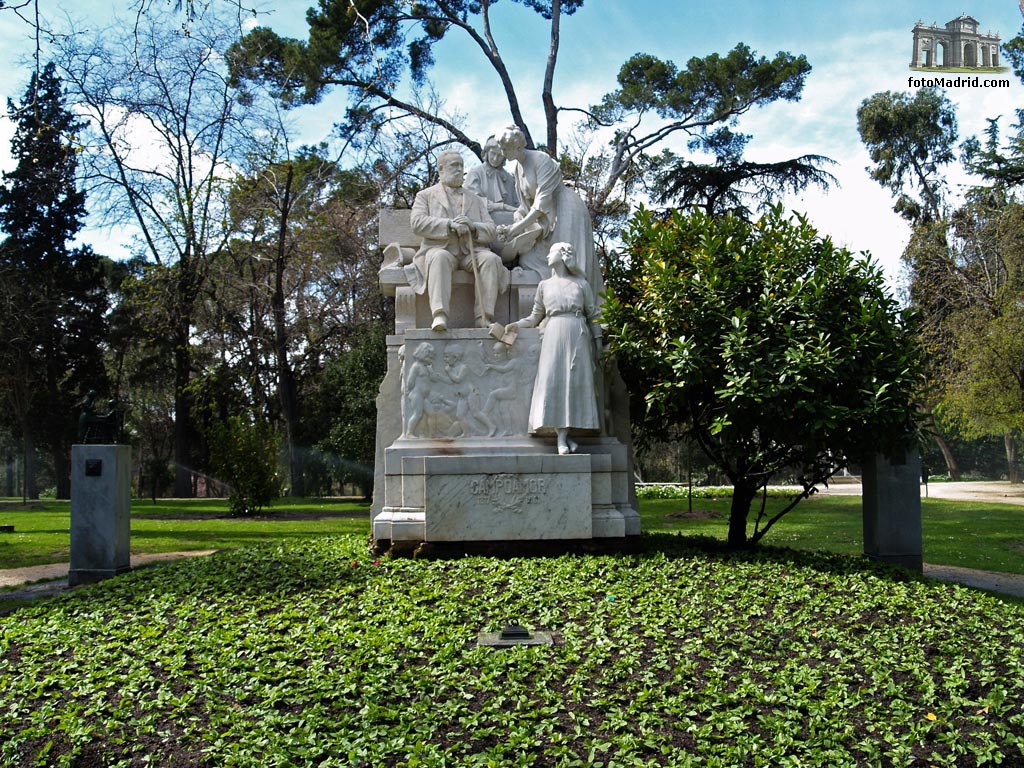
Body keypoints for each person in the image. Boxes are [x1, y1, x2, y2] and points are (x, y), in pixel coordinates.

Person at [506, 242, 602, 455]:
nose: (548, 255)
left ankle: (565, 436)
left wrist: (598, 343)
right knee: (554, 382)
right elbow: (534, 317)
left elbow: (593, 315)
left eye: (552, 252)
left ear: (563, 256)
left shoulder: (580, 284)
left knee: (574, 383)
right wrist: (516, 325)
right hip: (553, 333)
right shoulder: (544, 286)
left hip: (577, 332)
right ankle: (562, 436)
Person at [409, 150, 511, 331]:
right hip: (441, 249)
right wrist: (449, 225)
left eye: (461, 166)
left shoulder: (476, 200)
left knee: (491, 259)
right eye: (453, 165)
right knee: (439, 257)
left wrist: (473, 226)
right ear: (440, 170)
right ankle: (439, 315)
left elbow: (491, 230)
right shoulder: (425, 195)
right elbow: (417, 223)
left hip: (470, 252)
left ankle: (484, 317)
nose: (459, 170)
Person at [497, 125, 603, 297]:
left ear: (517, 147)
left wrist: (514, 230)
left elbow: (541, 203)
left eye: (505, 148)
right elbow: (525, 204)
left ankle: (577, 305)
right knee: (528, 260)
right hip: (545, 220)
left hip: (566, 211)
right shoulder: (517, 168)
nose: (502, 152)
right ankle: (553, 302)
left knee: (567, 261)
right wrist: (517, 219)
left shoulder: (541, 160)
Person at [464, 135, 519, 215]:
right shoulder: (475, 173)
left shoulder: (509, 178)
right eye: (493, 153)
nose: (495, 159)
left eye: (500, 155)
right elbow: (472, 200)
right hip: (482, 222)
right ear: (486, 153)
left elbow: (517, 204)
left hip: (510, 222)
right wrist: (501, 206)